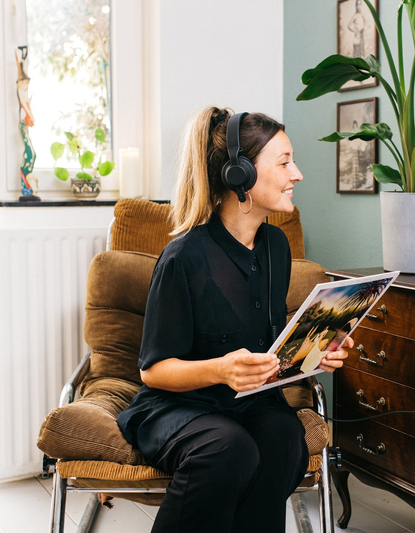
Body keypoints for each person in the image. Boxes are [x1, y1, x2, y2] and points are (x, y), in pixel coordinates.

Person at [116, 107, 353, 533]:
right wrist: (221, 370)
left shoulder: (276, 247)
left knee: (284, 442)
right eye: (283, 162)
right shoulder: (183, 258)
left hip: (254, 403)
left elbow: (271, 343)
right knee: (229, 448)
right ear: (240, 174)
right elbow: (153, 371)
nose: (296, 173)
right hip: (182, 407)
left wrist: (319, 350)